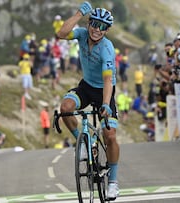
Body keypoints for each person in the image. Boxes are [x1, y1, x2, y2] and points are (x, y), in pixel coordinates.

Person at [56, 2, 120, 199]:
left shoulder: (107, 49)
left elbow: (108, 79)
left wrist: (105, 105)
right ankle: (84, 142)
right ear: (89, 23)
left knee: (109, 136)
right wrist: (78, 14)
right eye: (94, 24)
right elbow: (61, 34)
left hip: (104, 91)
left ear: (106, 30)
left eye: (102, 27)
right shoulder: (82, 34)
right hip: (86, 86)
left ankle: (113, 182)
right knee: (65, 108)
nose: (97, 30)